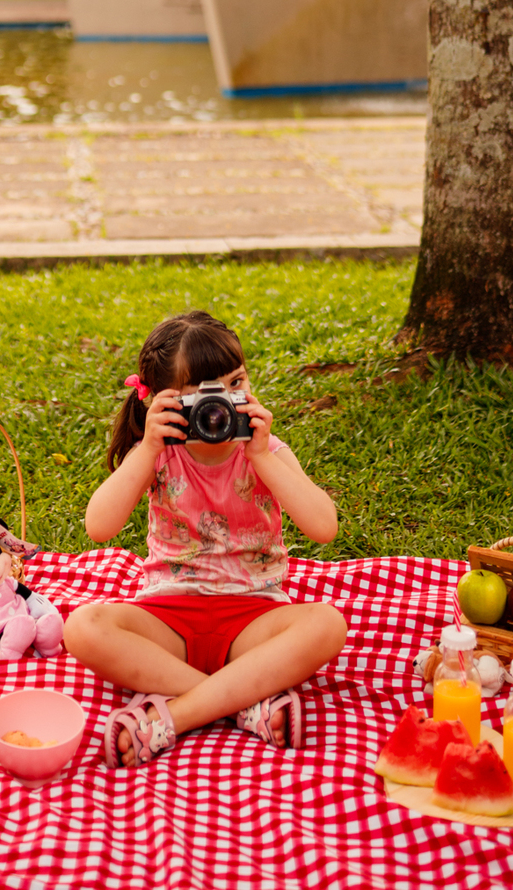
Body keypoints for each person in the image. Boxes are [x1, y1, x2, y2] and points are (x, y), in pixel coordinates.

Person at [64, 309, 347, 768]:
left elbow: (324, 528)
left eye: (237, 383)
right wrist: (150, 446)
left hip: (254, 613)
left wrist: (262, 456)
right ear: (164, 403)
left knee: (328, 624)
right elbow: (99, 526)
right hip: (168, 613)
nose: (225, 404)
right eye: (204, 398)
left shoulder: (265, 452)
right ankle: (243, 701)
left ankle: (176, 713)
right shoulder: (157, 453)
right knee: (81, 627)